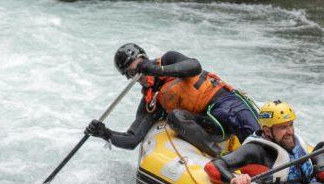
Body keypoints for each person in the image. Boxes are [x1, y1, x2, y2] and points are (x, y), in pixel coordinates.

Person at [84, 43, 260, 157]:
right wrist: (105, 133)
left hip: (227, 104)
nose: (140, 74)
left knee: (263, 144)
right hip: (212, 125)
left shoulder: (169, 59)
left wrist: (157, 70)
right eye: (132, 73)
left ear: (145, 60)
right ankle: (221, 158)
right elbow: (132, 139)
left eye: (139, 67)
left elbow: (194, 66)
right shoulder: (151, 101)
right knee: (175, 116)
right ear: (129, 78)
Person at [203, 100, 324, 184]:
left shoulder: (295, 141)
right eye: (283, 127)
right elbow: (213, 165)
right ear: (267, 131)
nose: (290, 131)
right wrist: (233, 179)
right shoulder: (256, 149)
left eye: (291, 125)